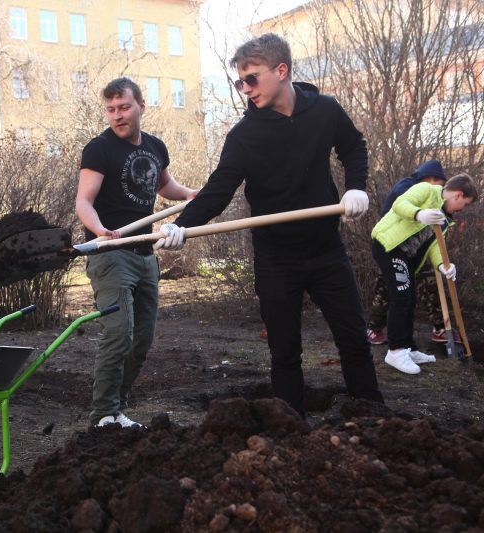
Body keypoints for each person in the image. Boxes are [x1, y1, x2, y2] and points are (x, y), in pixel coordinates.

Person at [155, 33, 384, 417]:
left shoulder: (325, 110)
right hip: (277, 258)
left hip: (327, 251)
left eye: (252, 79)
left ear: (282, 71)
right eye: (239, 82)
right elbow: (218, 189)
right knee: (284, 351)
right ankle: (290, 428)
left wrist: (356, 188)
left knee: (354, 341)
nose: (245, 89)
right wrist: (182, 226)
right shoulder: (245, 136)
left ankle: (374, 420)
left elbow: (354, 146)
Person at [77, 77, 199, 428]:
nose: (117, 116)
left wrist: (190, 193)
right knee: (120, 332)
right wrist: (99, 231)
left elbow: (164, 185)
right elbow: (84, 200)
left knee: (142, 338)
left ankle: (118, 409)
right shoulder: (99, 149)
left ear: (141, 107)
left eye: (124, 107)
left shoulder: (156, 147)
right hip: (111, 252)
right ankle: (103, 414)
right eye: (111, 109)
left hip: (145, 254)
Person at [371, 174, 478, 374]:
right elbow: (400, 203)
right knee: (401, 297)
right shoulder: (427, 190)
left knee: (409, 299)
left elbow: (435, 244)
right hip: (389, 246)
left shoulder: (446, 219)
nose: (462, 209)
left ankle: (408, 348)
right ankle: (395, 351)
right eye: (464, 204)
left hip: (407, 257)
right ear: (458, 195)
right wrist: (419, 214)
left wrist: (443, 265)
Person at [366, 160, 459, 346]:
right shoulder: (409, 186)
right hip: (393, 246)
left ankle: (438, 328)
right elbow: (399, 209)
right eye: (440, 186)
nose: (440, 192)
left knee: (416, 289)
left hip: (414, 250)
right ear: (431, 179)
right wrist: (420, 213)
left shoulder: (436, 199)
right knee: (392, 290)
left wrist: (442, 263)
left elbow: (432, 237)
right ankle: (377, 331)